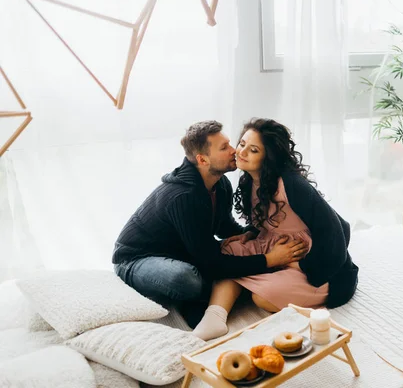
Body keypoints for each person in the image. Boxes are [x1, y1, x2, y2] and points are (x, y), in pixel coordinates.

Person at [112, 121, 308, 327]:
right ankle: (207, 297)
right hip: (136, 260)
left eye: (230, 144)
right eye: (224, 148)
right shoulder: (183, 196)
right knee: (185, 279)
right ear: (202, 159)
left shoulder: (220, 184)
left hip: (184, 253)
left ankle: (216, 293)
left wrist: (253, 234)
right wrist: (270, 259)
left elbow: (224, 226)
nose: (235, 151)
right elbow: (210, 262)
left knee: (232, 253)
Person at [193, 118, 359, 340]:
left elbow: (338, 229)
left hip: (313, 264)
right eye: (242, 144)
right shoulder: (249, 181)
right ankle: (215, 317)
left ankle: (246, 286)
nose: (241, 152)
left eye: (253, 150)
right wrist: (251, 234)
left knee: (262, 298)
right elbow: (267, 219)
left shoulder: (291, 184)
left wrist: (295, 263)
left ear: (268, 156)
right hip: (276, 246)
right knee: (227, 251)